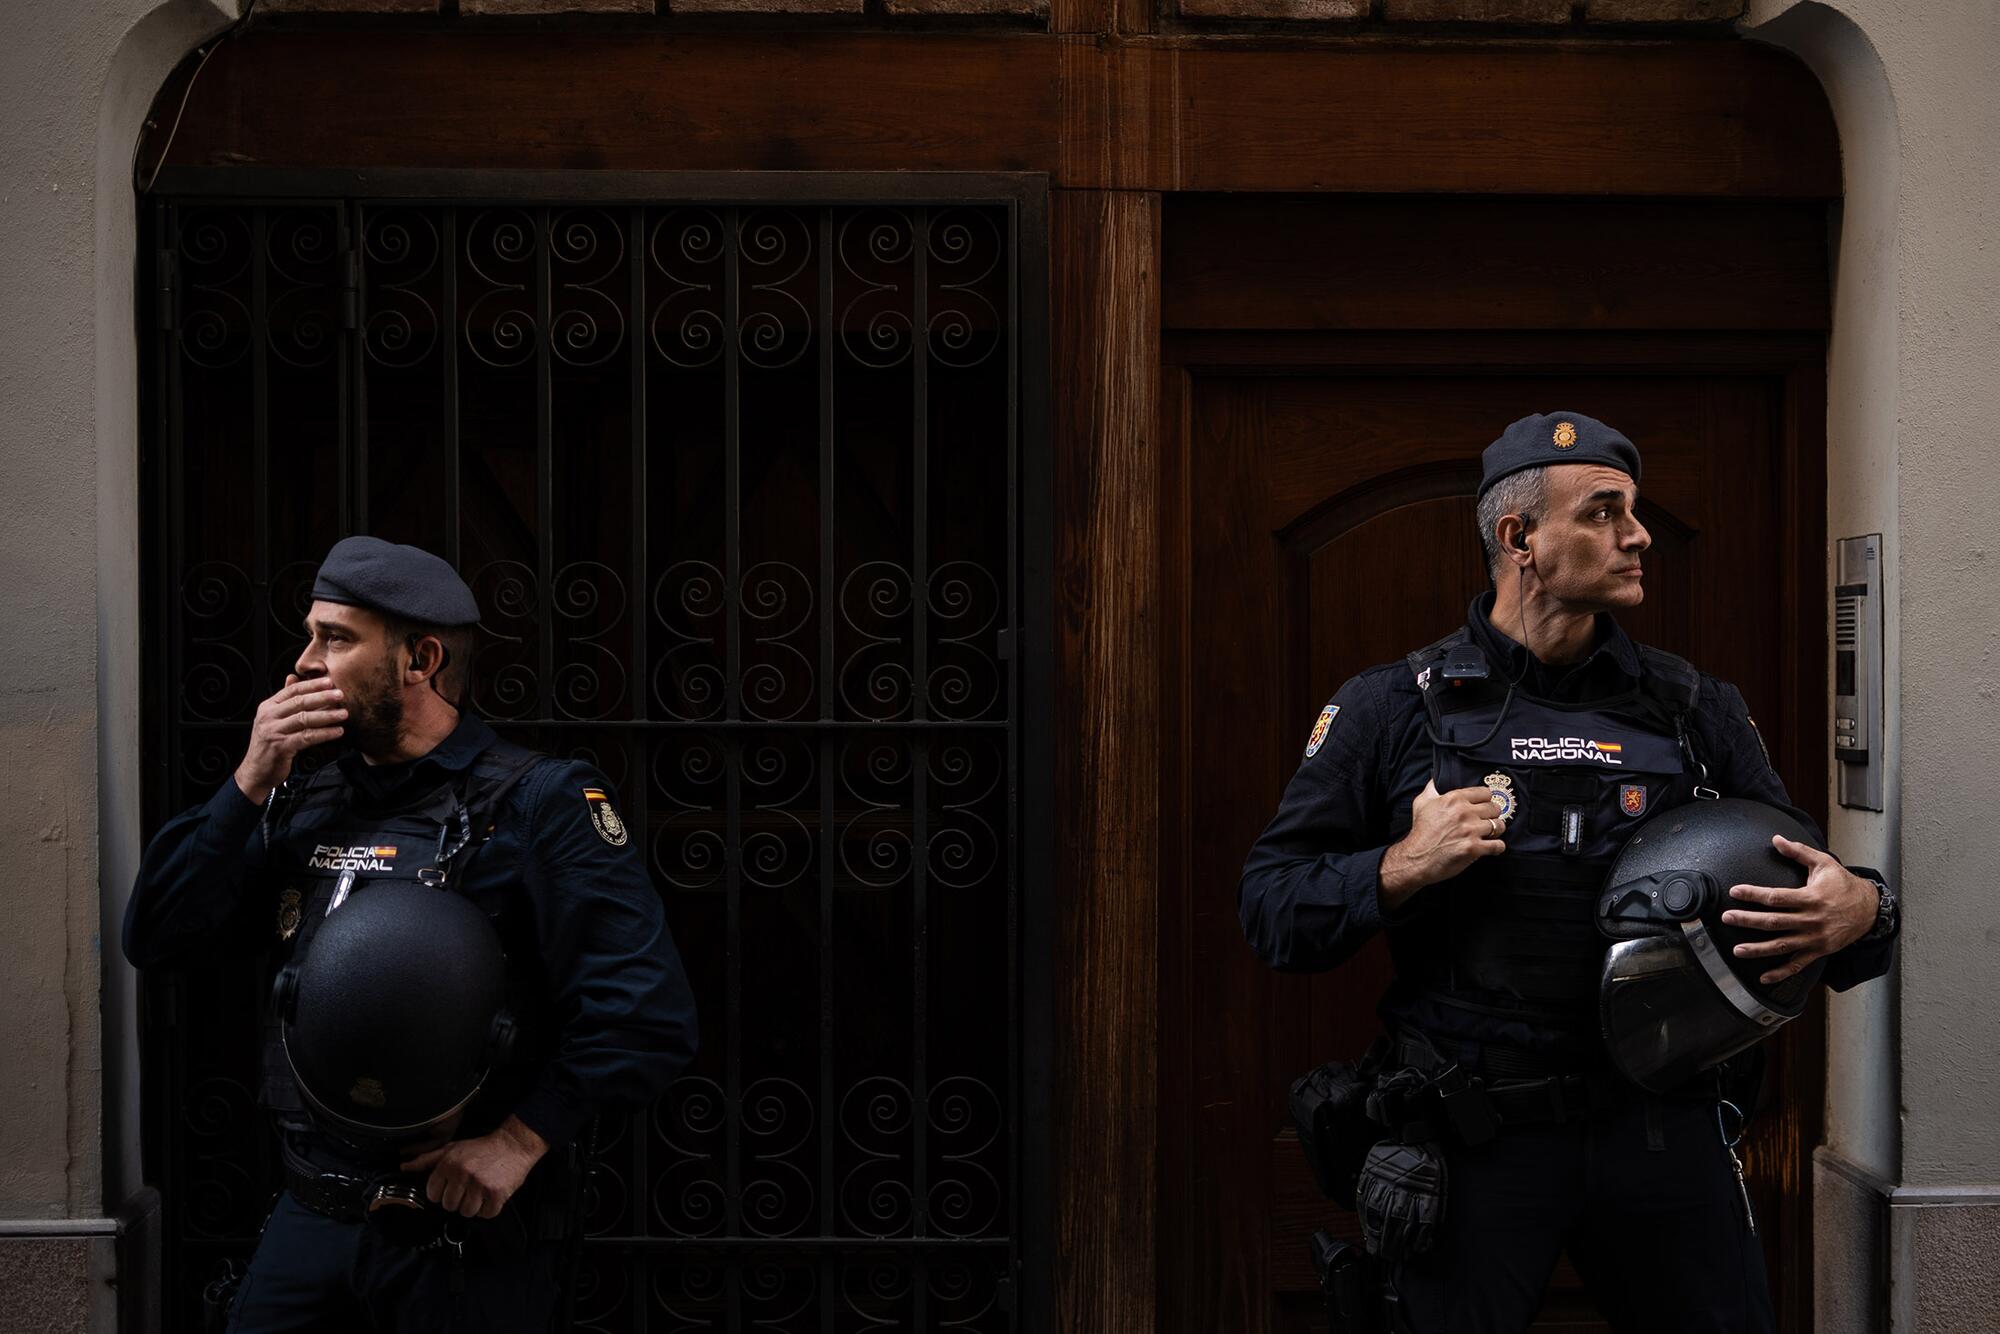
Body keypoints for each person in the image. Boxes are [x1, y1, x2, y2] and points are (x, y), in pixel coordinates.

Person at [1239, 413, 1898, 1334]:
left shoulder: (1693, 711)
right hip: (1473, 1139)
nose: (1638, 536)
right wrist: (1399, 866)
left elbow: (1816, 894)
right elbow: (1270, 909)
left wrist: (1860, 907)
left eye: (1633, 513)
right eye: (1604, 513)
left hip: (1660, 1131)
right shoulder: (1395, 707)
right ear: (1521, 540)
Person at [125, 535, 699, 1333]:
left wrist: (520, 1141)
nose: (302, 664)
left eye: (335, 638)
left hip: (458, 1243)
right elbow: (158, 939)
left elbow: (645, 1012)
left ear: (420, 658)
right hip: (309, 1217)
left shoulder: (540, 804)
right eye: (310, 634)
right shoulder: (300, 797)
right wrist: (250, 780)